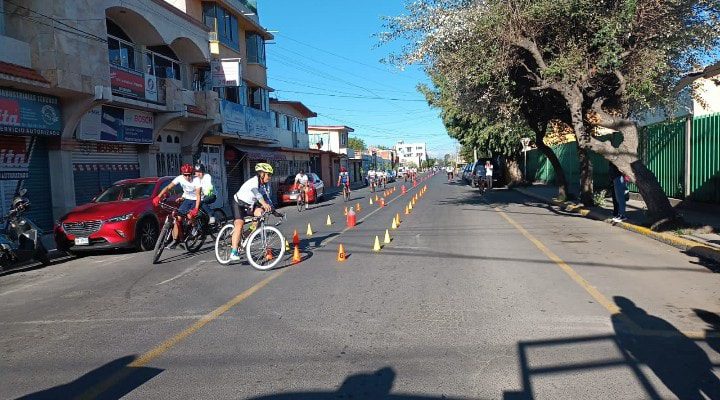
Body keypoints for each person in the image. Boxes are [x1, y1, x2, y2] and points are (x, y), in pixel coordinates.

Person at [228, 163, 275, 261]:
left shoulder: (263, 186)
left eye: (270, 175)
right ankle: (234, 252)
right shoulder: (254, 182)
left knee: (261, 214)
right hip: (238, 204)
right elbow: (258, 195)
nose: (270, 177)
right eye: (268, 174)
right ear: (262, 174)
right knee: (239, 224)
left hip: (250, 205)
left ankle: (247, 233)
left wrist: (273, 210)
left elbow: (267, 199)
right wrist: (264, 204)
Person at [153, 163, 201, 249]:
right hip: (187, 199)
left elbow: (198, 196)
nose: (187, 177)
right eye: (185, 175)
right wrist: (158, 196)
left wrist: (196, 209)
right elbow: (168, 187)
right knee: (177, 218)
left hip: (195, 200)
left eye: (189, 175)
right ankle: (175, 240)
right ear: (182, 174)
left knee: (190, 215)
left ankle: (195, 227)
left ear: (192, 174)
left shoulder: (196, 180)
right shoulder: (180, 178)